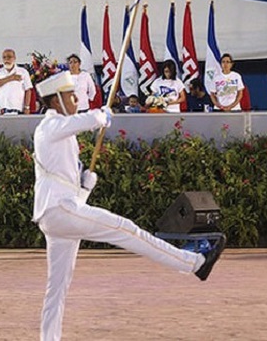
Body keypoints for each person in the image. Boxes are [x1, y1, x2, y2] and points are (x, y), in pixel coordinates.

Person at [31, 71, 226, 341]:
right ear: (56, 102)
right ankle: (194, 263)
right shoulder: (49, 126)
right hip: (59, 210)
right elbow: (84, 121)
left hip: (61, 212)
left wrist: (84, 187)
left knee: (57, 288)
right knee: (125, 229)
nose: (77, 100)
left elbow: (63, 183)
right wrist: (100, 116)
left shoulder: (62, 132)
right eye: (71, 97)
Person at [0, 49, 33, 114]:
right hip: (2, 110)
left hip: (17, 110)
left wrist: (27, 107)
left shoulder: (23, 72)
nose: (6, 59)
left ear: (14, 58)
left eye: (9, 57)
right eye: (4, 57)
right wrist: (11, 77)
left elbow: (28, 90)